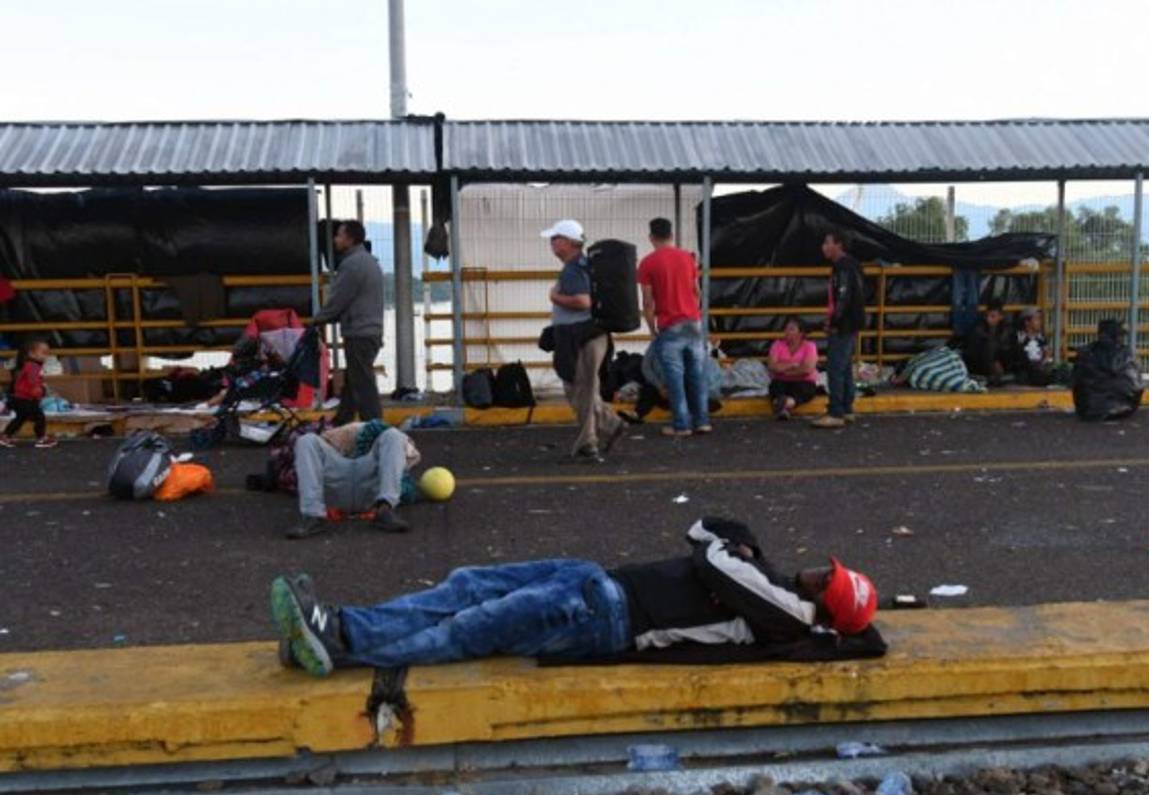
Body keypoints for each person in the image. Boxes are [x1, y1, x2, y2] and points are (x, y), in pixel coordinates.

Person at [269, 516, 880, 677]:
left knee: (473, 625)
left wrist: (738, 548)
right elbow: (703, 528)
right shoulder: (773, 585)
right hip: (595, 582)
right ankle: (331, 626)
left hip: (605, 617)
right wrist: (736, 546)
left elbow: (711, 554)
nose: (816, 573)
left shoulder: (787, 614)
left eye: (827, 581)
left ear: (827, 606)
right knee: (468, 584)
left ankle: (342, 644)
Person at [542, 219, 627, 463]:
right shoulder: (585, 265)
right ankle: (610, 426)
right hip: (589, 334)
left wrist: (555, 297)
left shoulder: (572, 269)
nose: (551, 243)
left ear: (568, 242)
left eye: (555, 238)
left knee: (581, 390)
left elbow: (583, 301)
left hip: (582, 336)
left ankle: (589, 443)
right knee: (583, 388)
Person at [637, 218, 711, 437]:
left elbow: (648, 302)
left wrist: (652, 329)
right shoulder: (688, 259)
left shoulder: (647, 263)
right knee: (697, 374)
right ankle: (702, 421)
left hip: (670, 326)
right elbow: (696, 292)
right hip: (693, 323)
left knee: (675, 378)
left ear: (651, 237)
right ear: (671, 235)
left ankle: (681, 424)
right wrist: (693, 313)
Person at [284, 421, 417, 539]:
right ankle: (313, 516)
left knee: (394, 435)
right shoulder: (340, 434)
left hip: (371, 490)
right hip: (335, 490)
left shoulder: (386, 436)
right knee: (306, 440)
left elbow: (413, 457)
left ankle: (384, 509)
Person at [310, 220, 384, 425]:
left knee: (364, 384)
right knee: (353, 381)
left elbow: (338, 300)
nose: (335, 239)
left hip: (359, 333)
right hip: (370, 331)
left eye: (339, 235)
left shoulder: (351, 265)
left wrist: (317, 321)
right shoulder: (368, 261)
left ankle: (376, 427)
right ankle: (342, 421)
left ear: (350, 239)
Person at [812, 229, 865, 429]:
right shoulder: (853, 265)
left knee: (835, 367)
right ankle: (847, 408)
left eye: (827, 242)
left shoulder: (842, 268)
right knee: (844, 368)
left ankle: (836, 411)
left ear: (839, 245)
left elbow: (842, 298)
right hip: (851, 323)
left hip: (843, 325)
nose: (823, 247)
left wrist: (833, 321)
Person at [1072, 318, 1143, 421]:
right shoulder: (1124, 354)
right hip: (1125, 408)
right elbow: (1135, 384)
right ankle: (1118, 406)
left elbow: (1076, 380)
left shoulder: (1088, 352)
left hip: (1089, 409)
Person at [1, 338, 56, 448]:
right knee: (40, 417)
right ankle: (41, 438)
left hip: (18, 398)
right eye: (43, 353)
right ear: (31, 353)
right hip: (26, 399)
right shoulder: (33, 366)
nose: (46, 356)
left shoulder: (27, 365)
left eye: (48, 353)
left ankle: (5, 436)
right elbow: (33, 380)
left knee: (20, 418)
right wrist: (38, 389)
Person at [767, 318, 820, 420]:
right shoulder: (777, 345)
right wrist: (793, 365)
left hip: (803, 381)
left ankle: (784, 404)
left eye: (791, 329)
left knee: (804, 390)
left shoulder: (810, 346)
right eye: (786, 329)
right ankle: (784, 405)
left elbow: (807, 369)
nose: (786, 332)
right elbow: (772, 366)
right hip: (781, 381)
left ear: (801, 333)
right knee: (776, 387)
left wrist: (784, 370)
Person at [963, 298, 1010, 385]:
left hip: (999, 363)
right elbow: (973, 351)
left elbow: (1006, 348)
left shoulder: (1005, 329)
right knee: (990, 345)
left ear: (1001, 317)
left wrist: (999, 361)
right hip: (979, 364)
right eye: (987, 316)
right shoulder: (978, 328)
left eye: (993, 316)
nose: (989, 319)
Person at [1009, 307, 1054, 385]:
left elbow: (1047, 356)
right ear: (1027, 322)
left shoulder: (1042, 339)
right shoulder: (1018, 338)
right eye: (1037, 319)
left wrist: (1046, 358)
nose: (1040, 322)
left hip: (1041, 372)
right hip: (1024, 374)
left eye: (1040, 319)